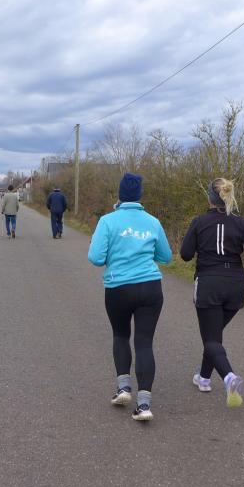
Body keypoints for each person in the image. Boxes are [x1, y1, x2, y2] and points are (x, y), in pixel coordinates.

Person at [87, 173, 172, 421]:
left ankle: (123, 388)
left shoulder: (107, 221)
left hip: (119, 287)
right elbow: (166, 257)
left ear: (120, 195)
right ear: (140, 195)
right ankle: (144, 405)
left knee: (121, 335)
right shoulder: (153, 221)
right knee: (144, 342)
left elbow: (95, 258)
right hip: (150, 287)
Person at [179, 178, 244, 408]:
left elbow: (185, 254)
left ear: (209, 197)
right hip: (236, 284)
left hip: (209, 282)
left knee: (211, 338)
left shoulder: (199, 222)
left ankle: (229, 377)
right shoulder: (242, 223)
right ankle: (204, 379)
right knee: (214, 336)